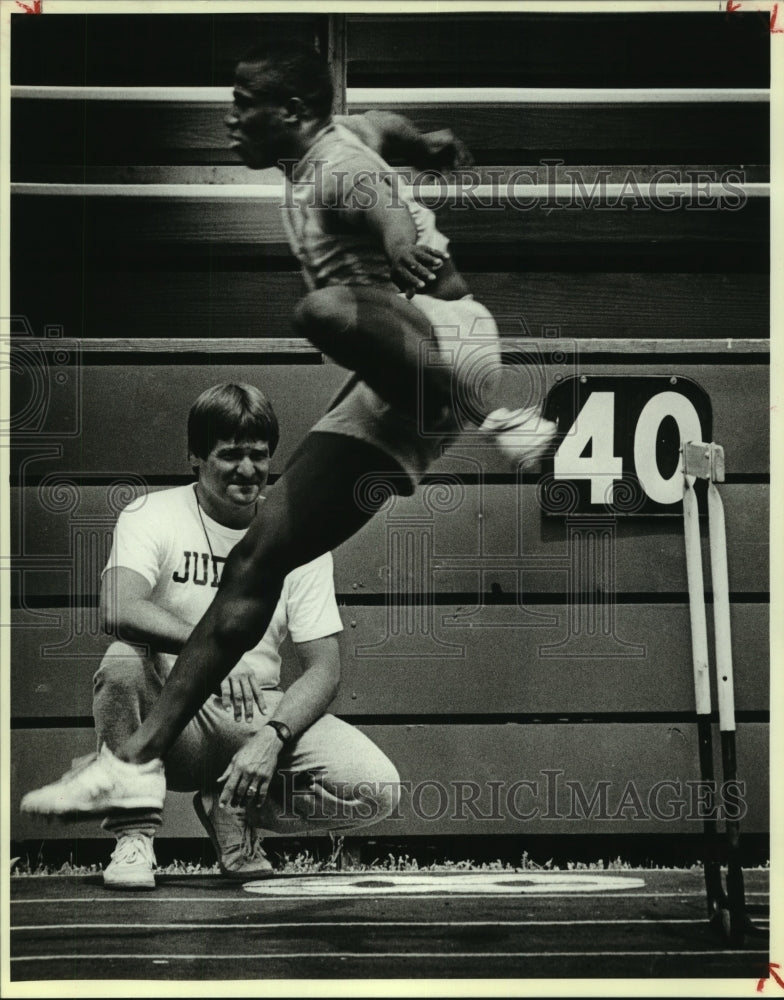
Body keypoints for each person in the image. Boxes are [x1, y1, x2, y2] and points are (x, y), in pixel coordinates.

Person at [21, 42, 556, 820]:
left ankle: (496, 422)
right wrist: (430, 144)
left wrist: (407, 241)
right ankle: (133, 763)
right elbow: (387, 127)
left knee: (321, 309)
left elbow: (385, 205)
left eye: (246, 106)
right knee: (255, 561)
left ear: (294, 114)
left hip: (446, 342)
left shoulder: (338, 164)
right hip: (389, 384)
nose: (231, 121)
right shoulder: (344, 139)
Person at [90, 382, 400, 888]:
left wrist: (274, 738)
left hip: (254, 711)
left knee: (376, 789)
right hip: (176, 716)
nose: (248, 470)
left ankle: (233, 810)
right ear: (194, 456)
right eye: (229, 455)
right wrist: (215, 653)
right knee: (122, 661)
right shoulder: (152, 514)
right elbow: (118, 609)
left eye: (259, 455)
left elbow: (324, 668)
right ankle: (134, 834)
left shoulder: (298, 534)